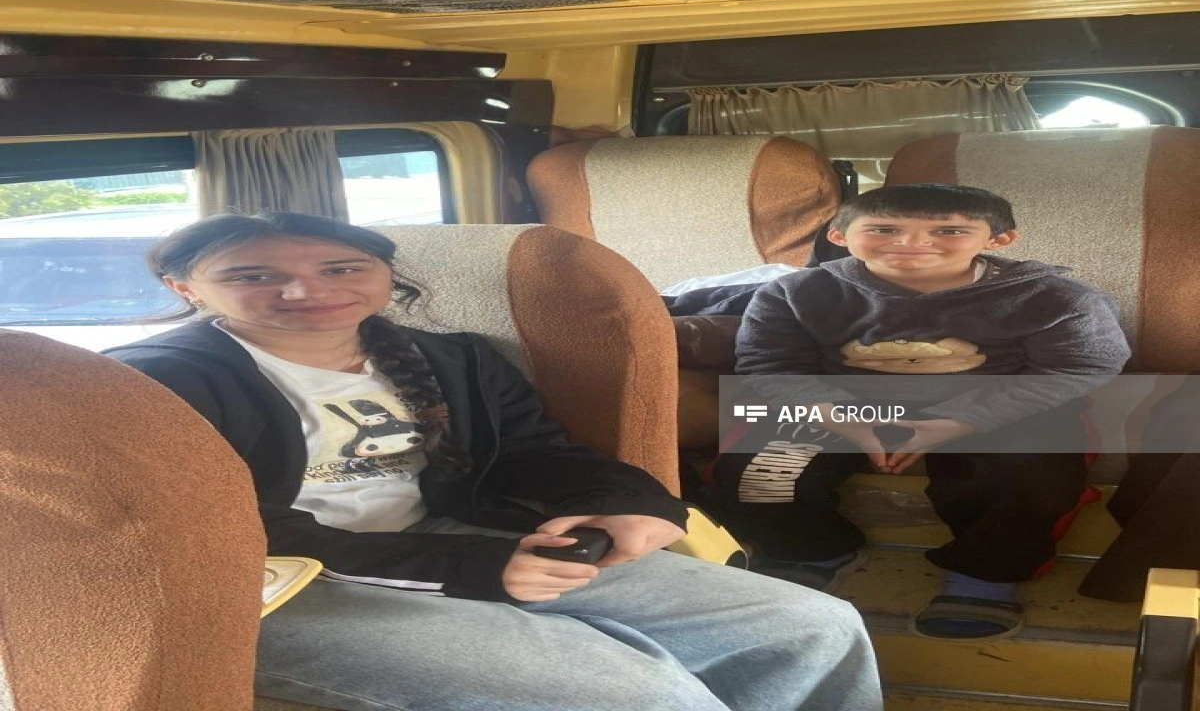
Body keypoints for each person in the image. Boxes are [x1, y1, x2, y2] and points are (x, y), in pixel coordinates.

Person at [105, 212, 882, 711]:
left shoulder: (451, 358)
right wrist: (472, 570)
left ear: (384, 276)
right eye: (253, 276)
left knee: (809, 624)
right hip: (272, 585)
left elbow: (532, 452)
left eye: (341, 269)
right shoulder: (150, 385)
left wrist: (637, 504)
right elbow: (203, 536)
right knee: (638, 692)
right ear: (185, 287)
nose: (305, 291)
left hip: (452, 534)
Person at [715, 184, 1130, 640]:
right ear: (839, 235)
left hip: (999, 403)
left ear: (999, 239)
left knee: (1029, 473)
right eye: (884, 229)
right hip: (841, 402)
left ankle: (985, 571)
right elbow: (772, 363)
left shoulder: (1057, 298)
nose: (912, 243)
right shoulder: (793, 292)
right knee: (758, 469)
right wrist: (839, 416)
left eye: (948, 230)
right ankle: (810, 549)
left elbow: (1079, 365)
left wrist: (959, 421)